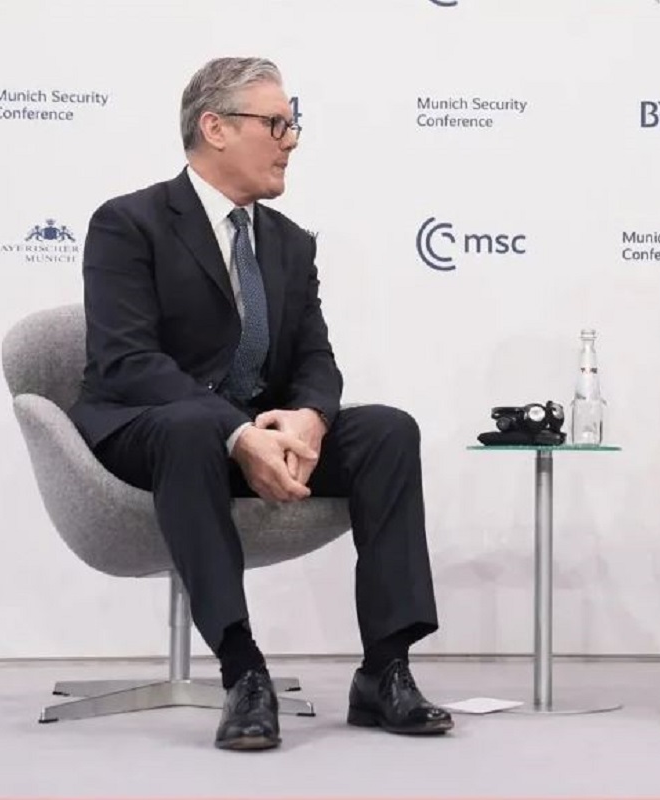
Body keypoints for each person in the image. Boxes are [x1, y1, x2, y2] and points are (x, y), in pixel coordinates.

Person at [69, 57, 453, 750]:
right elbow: (128, 362)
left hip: (260, 433)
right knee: (192, 426)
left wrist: (309, 418)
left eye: (292, 124)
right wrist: (238, 433)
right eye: (277, 124)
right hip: (150, 433)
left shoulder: (288, 242)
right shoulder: (128, 223)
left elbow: (316, 359)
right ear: (215, 128)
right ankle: (243, 672)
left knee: (387, 431)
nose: (292, 139)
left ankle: (385, 670)